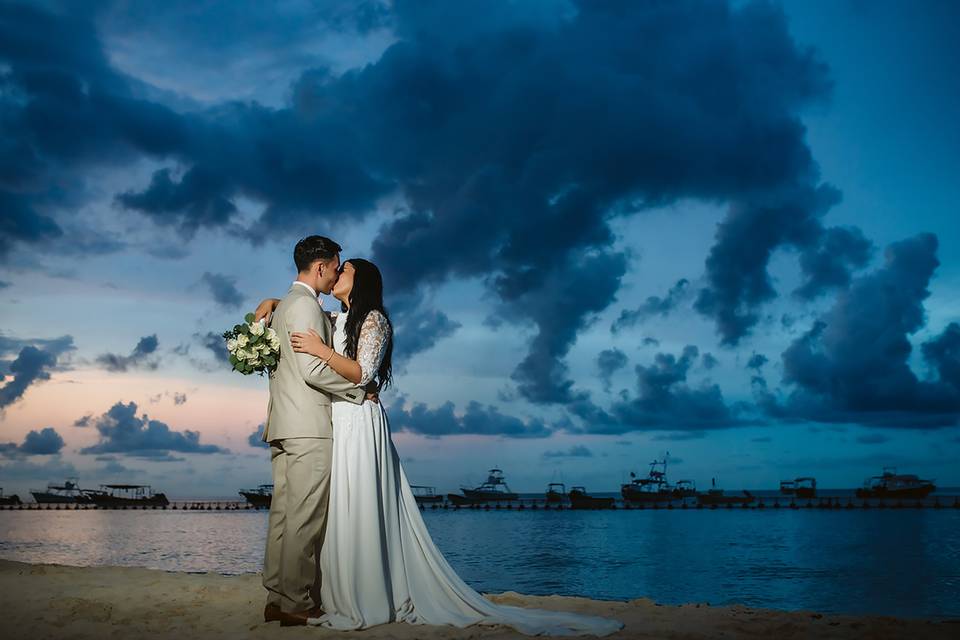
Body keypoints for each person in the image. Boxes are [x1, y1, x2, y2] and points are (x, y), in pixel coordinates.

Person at [254, 258, 624, 636]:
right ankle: (332, 589)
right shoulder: (337, 318)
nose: (336, 274)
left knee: (361, 500)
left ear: (360, 279)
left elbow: (365, 374)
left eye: (344, 270)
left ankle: (364, 590)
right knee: (337, 507)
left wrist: (321, 351)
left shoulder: (375, 320)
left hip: (362, 420)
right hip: (339, 418)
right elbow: (302, 312)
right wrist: (272, 302)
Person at [258, 235, 367, 627]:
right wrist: (358, 391)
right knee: (304, 518)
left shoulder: (285, 304)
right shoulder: (304, 306)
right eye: (335, 266)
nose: (338, 272)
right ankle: (296, 602)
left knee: (284, 515)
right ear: (320, 268)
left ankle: (276, 596)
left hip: (284, 423)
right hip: (308, 425)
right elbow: (312, 369)